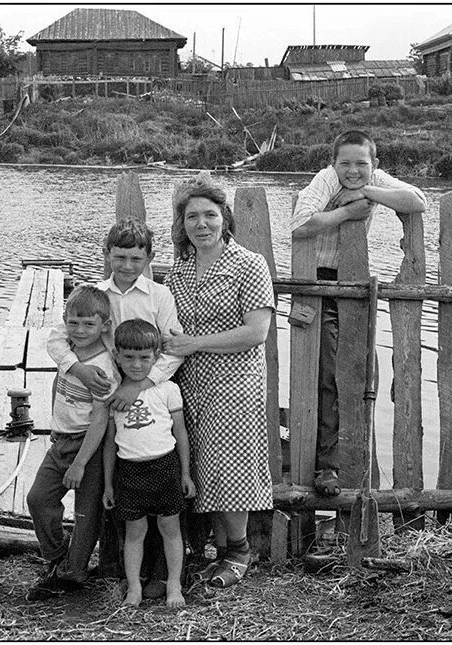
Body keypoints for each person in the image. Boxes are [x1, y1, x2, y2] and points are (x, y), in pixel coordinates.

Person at [46, 218, 185, 599]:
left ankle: (160, 574)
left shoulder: (159, 296)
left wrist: (139, 383)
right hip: (105, 402)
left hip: (147, 396)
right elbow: (59, 337)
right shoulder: (94, 294)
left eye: (135, 258)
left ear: (149, 258)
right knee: (121, 487)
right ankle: (118, 569)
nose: (126, 266)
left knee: (157, 483)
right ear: (107, 255)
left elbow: (171, 350)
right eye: (119, 257)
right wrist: (75, 368)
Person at [290, 129, 426, 496]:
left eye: (361, 164)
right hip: (317, 283)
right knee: (326, 374)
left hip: (354, 282)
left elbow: (417, 200)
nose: (352, 171)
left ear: (374, 164)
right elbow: (300, 225)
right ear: (333, 164)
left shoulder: (371, 178)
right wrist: (347, 211)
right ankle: (326, 465)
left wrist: (368, 192)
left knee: (356, 371)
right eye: (345, 164)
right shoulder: (325, 180)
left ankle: (348, 464)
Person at [162, 172, 275, 588]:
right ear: (182, 223)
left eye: (210, 215)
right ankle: (210, 550)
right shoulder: (179, 269)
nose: (202, 224)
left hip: (235, 382)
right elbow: (168, 328)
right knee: (199, 465)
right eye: (192, 217)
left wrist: (194, 344)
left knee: (231, 467)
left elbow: (256, 331)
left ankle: (239, 551)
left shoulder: (248, 263)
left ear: (225, 218)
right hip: (189, 383)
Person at [26, 285, 120, 601]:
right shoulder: (69, 353)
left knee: (85, 514)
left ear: (104, 326)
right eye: (74, 323)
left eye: (88, 325)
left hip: (87, 447)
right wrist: (54, 426)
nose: (79, 331)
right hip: (61, 440)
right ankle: (56, 555)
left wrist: (80, 462)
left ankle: (72, 573)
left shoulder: (104, 368)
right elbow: (59, 379)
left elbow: (100, 419)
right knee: (39, 498)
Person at [102, 319, 196, 608]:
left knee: (170, 529)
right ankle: (134, 587)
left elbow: (180, 433)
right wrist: (108, 484)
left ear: (156, 357)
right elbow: (110, 443)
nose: (137, 364)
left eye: (145, 357)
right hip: (129, 471)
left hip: (165, 468)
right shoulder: (113, 393)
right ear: (117, 355)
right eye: (128, 357)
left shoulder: (167, 389)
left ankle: (174, 585)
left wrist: (186, 473)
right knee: (135, 533)